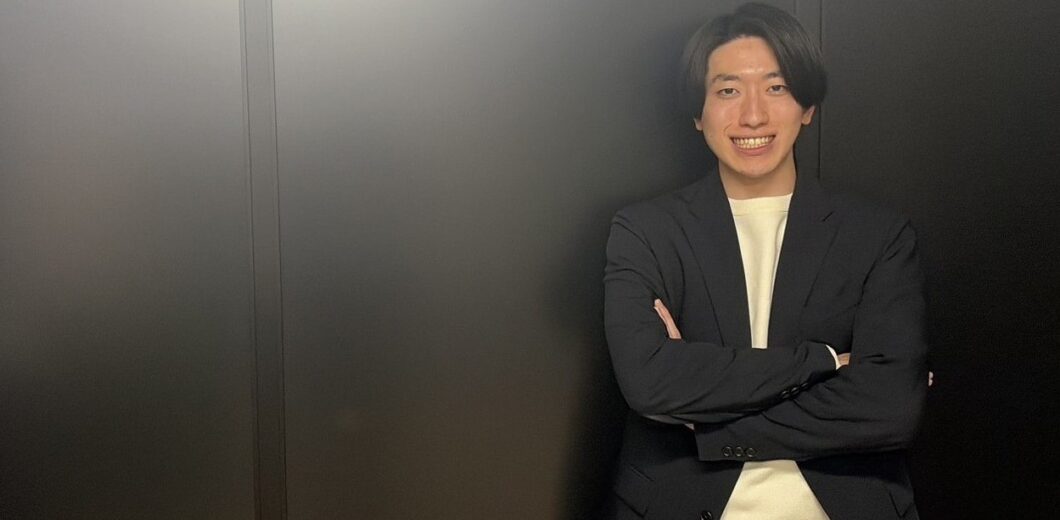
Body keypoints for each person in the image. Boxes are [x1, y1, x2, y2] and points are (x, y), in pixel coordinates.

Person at [601, 3, 928, 519]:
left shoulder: (878, 235)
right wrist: (824, 362)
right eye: (728, 91)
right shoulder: (646, 231)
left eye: (776, 87)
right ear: (697, 113)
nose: (753, 115)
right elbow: (650, 381)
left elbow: (890, 406)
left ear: (807, 106)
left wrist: (706, 419)